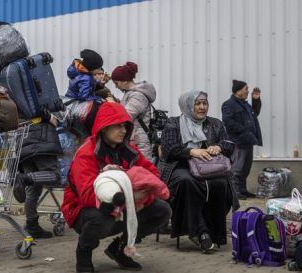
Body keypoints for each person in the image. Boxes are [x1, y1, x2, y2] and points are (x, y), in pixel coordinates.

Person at [62, 102, 171, 272]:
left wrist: (142, 194)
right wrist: (129, 197)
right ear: (103, 128)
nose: (123, 131)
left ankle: (120, 249)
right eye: (118, 126)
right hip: (82, 209)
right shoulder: (87, 154)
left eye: (125, 126)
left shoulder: (130, 150)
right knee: (102, 216)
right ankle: (83, 252)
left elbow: (152, 174)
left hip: (124, 203)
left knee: (162, 210)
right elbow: (88, 195)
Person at [159, 90, 239, 253]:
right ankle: (202, 231)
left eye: (205, 103)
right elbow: (168, 148)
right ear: (187, 105)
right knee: (186, 182)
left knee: (219, 183)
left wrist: (220, 147)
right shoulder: (173, 123)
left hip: (209, 168)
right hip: (179, 166)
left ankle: (211, 233)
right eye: (197, 103)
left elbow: (229, 143)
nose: (202, 107)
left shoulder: (215, 123)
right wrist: (190, 152)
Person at [12, 110, 63, 239]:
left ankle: (32, 225)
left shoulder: (11, 91)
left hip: (23, 137)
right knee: (55, 176)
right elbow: (33, 105)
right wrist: (49, 115)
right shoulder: (31, 90)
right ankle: (23, 179)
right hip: (40, 137)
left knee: (33, 189)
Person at [221, 80, 262, 199]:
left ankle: (243, 190)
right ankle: (235, 192)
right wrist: (244, 131)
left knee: (245, 168)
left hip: (248, 141)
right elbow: (228, 122)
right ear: (238, 91)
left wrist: (256, 100)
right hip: (238, 141)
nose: (248, 91)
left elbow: (255, 113)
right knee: (237, 169)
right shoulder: (228, 104)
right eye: (246, 89)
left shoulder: (245, 104)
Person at [112, 62, 156, 161]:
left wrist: (112, 104)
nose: (116, 86)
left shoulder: (138, 96)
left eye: (116, 83)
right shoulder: (131, 94)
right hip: (134, 140)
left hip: (139, 143)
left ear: (125, 81)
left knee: (142, 172)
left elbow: (126, 115)